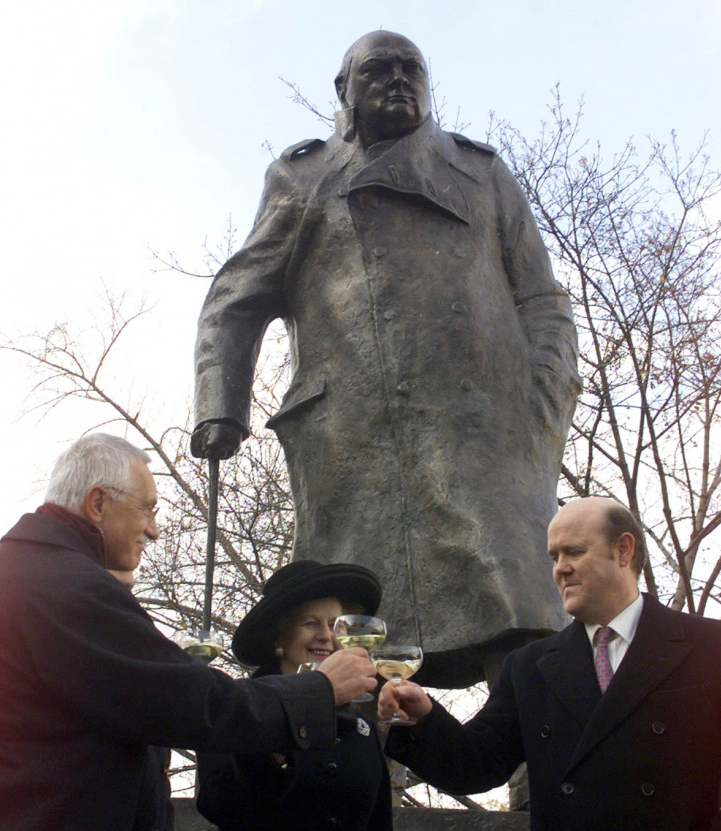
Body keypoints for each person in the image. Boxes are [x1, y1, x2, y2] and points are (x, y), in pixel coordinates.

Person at [191, 29, 581, 687]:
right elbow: (236, 297)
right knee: (351, 635)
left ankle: (534, 778)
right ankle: (358, 781)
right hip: (353, 440)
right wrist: (219, 407)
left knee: (522, 614)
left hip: (485, 432)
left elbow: (543, 298)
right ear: (344, 92)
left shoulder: (481, 173)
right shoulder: (303, 178)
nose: (399, 79)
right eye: (378, 69)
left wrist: (541, 399)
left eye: (412, 68)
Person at [0, 433, 376, 831]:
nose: (154, 528)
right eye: (147, 509)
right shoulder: (67, 587)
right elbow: (193, 702)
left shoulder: (34, 574)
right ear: (97, 503)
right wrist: (317, 691)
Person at [380, 497, 721, 831]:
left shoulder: (715, 648)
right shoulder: (532, 665)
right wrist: (421, 719)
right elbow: (476, 764)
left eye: (573, 552)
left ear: (624, 550)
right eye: (553, 558)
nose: (560, 569)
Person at [185, 560, 415, 831]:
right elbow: (220, 801)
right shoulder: (240, 707)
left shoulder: (362, 730)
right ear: (279, 636)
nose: (326, 635)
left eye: (335, 624)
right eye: (311, 623)